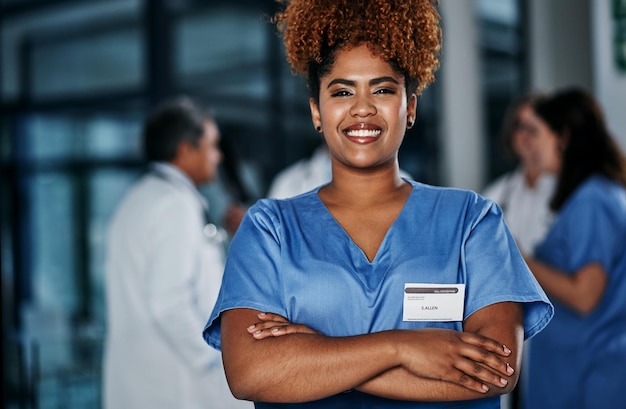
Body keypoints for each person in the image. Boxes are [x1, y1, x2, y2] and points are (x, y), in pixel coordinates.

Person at [204, 1, 553, 408]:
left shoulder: (472, 221)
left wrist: (318, 354)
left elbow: (496, 369)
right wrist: (400, 347)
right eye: (342, 91)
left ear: (411, 107)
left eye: (383, 89)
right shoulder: (269, 229)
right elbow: (251, 372)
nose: (363, 108)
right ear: (317, 110)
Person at [103, 96, 251, 409]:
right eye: (212, 145)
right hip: (175, 386)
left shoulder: (139, 198)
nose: (218, 155)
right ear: (185, 150)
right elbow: (169, 305)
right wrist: (217, 359)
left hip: (143, 382)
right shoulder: (175, 204)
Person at [521, 88, 626, 409]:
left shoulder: (592, 201)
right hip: (582, 372)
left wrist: (519, 259)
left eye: (538, 133)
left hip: (587, 376)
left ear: (563, 137)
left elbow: (585, 295)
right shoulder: (599, 194)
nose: (531, 145)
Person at [482, 92, 555, 256]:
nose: (526, 135)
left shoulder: (569, 191)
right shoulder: (496, 195)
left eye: (535, 126)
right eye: (520, 126)